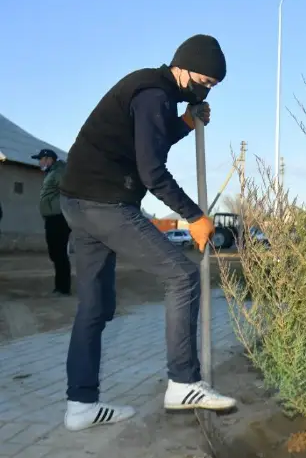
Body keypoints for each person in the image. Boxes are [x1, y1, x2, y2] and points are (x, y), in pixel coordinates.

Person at [58, 34, 236, 431]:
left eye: (212, 87)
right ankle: (183, 383)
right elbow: (151, 170)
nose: (206, 89)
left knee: (95, 307)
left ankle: (81, 406)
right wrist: (194, 215)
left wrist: (186, 124)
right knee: (183, 276)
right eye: (205, 82)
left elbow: (148, 141)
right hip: (104, 203)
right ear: (184, 68)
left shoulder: (150, 90)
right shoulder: (155, 95)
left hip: (77, 202)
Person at [32, 149, 71, 295]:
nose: (39, 162)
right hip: (52, 217)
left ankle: (62, 288)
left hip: (59, 218)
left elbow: (68, 190)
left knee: (59, 253)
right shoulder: (51, 173)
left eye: (41, 159)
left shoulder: (59, 172)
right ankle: (60, 286)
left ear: (49, 159)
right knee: (55, 252)